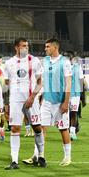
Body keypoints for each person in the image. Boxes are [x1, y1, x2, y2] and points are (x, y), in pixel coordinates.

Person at [4, 38, 45, 170]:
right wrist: (7, 103)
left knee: (37, 127)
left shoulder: (34, 61)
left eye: (27, 46)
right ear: (16, 47)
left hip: (31, 100)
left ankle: (41, 156)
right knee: (15, 128)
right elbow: (6, 84)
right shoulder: (9, 63)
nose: (26, 48)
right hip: (15, 101)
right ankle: (14, 161)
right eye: (23, 46)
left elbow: (40, 82)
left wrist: (33, 97)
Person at [35, 38, 72, 166]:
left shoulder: (64, 62)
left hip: (60, 102)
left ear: (55, 48)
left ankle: (67, 157)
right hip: (47, 101)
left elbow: (68, 84)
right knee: (41, 128)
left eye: (47, 47)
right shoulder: (44, 61)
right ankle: (38, 155)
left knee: (62, 129)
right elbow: (41, 81)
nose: (45, 49)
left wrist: (66, 102)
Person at [64, 51, 84, 141]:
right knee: (66, 113)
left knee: (74, 112)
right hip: (65, 93)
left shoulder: (77, 67)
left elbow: (81, 80)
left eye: (68, 57)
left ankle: (72, 132)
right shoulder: (61, 68)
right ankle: (71, 129)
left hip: (75, 93)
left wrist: (83, 96)